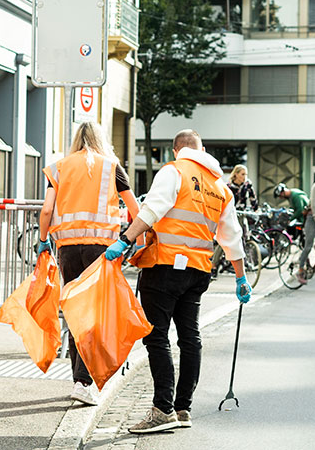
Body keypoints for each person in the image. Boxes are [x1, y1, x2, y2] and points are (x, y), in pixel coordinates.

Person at [105, 129, 252, 433]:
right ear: (201, 149)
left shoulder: (174, 171)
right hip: (198, 272)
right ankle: (183, 408)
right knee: (189, 337)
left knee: (156, 336)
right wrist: (241, 277)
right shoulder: (220, 188)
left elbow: (153, 209)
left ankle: (162, 409)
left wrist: (125, 239)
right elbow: (231, 237)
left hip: (164, 267)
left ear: (176, 150)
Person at [37, 121, 140, 406]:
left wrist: (43, 240)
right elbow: (135, 210)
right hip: (102, 252)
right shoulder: (111, 167)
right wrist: (135, 243)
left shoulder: (59, 167)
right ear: (101, 138)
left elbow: (47, 209)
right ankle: (84, 381)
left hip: (68, 249)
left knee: (74, 310)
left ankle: (79, 379)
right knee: (94, 314)